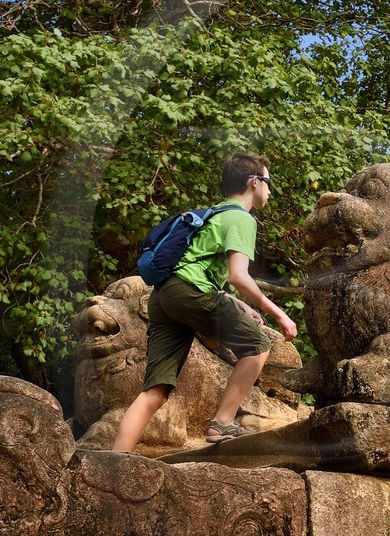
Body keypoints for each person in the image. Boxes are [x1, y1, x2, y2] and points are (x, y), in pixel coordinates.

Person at [113, 153, 298, 450]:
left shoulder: (213, 214)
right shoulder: (241, 218)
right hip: (189, 291)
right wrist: (279, 313)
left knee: (156, 389)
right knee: (257, 346)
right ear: (254, 182)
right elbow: (239, 276)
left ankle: (114, 459)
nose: (270, 191)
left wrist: (244, 306)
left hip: (163, 297)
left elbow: (204, 273)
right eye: (268, 183)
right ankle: (222, 424)